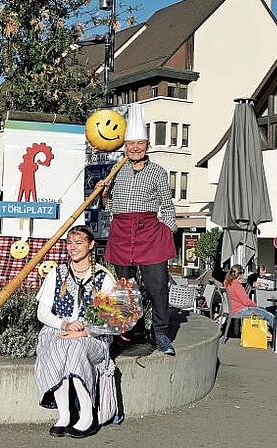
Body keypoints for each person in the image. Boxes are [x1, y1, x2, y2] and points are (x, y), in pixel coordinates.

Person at [97, 103, 178, 356]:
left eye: (139, 143)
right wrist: (104, 192)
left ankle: (161, 333)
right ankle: (132, 331)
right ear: (124, 146)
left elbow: (167, 205)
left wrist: (166, 231)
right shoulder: (116, 170)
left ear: (147, 145)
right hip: (121, 232)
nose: (134, 147)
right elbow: (107, 206)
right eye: (130, 143)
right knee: (125, 288)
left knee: (158, 286)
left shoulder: (157, 172)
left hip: (149, 233)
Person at [34, 225, 118, 439]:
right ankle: (64, 415)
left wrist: (83, 332)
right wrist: (64, 325)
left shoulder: (103, 277)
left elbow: (112, 319)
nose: (73, 247)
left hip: (93, 335)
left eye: (78, 243)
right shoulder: (57, 273)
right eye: (70, 243)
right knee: (57, 345)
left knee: (76, 348)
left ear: (90, 245)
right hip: (60, 330)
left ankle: (87, 416)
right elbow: (42, 312)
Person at [224, 264, 275, 329]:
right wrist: (255, 305)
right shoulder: (236, 285)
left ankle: (266, 333)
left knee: (264, 310)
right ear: (239, 274)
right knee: (268, 315)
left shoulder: (227, 282)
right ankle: (275, 334)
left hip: (233, 309)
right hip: (240, 310)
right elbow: (246, 302)